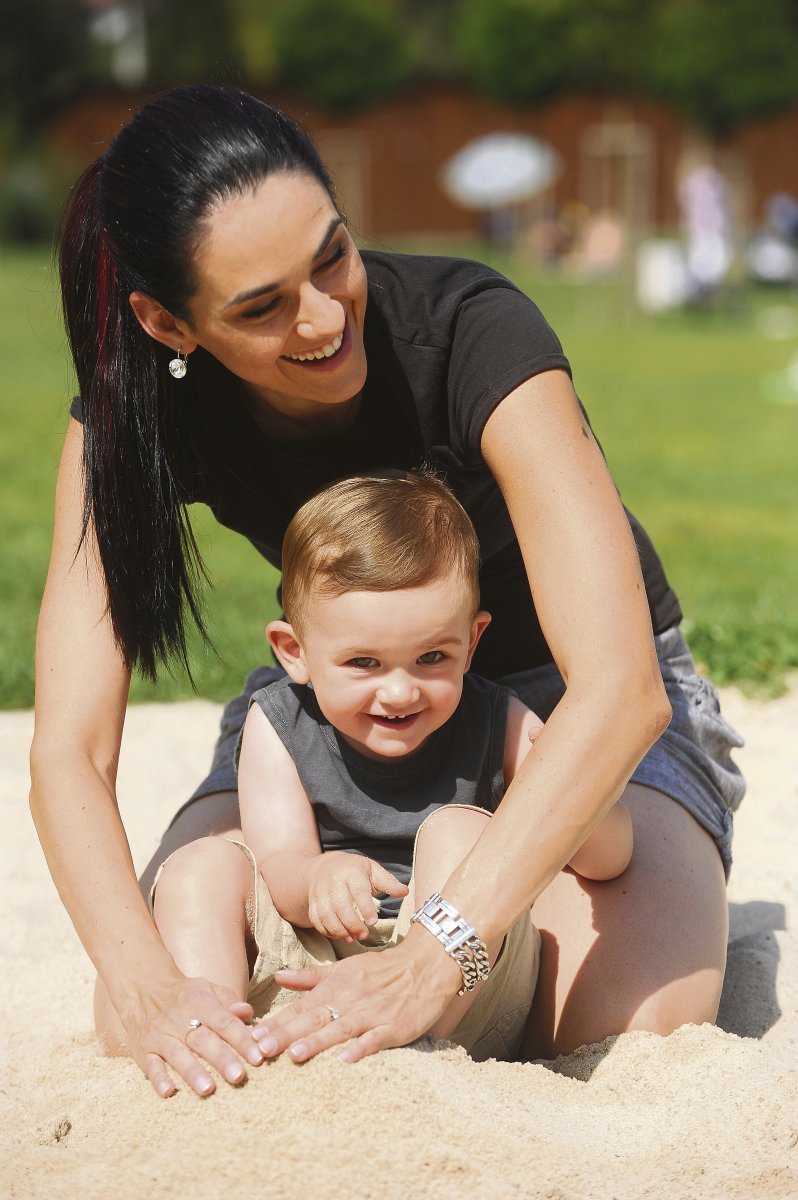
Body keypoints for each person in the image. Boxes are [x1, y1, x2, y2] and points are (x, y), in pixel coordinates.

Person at [30, 84, 744, 1100]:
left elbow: (623, 689)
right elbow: (70, 748)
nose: (323, 317)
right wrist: (145, 985)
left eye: (332, 256)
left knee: (628, 1021)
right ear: (167, 323)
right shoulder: (125, 426)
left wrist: (439, 951)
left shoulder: (473, 331)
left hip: (559, 698)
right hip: (346, 699)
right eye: (262, 307)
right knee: (142, 1011)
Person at [148, 472, 633, 1069]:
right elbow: (280, 867)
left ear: (472, 641)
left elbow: (609, 858)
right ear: (293, 651)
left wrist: (567, 769)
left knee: (460, 829)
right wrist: (317, 876)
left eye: (432, 657)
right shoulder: (276, 724)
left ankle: (420, 1054)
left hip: (458, 980)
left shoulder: (500, 721)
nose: (400, 690)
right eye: (363, 662)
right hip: (314, 963)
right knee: (201, 865)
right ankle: (216, 1034)